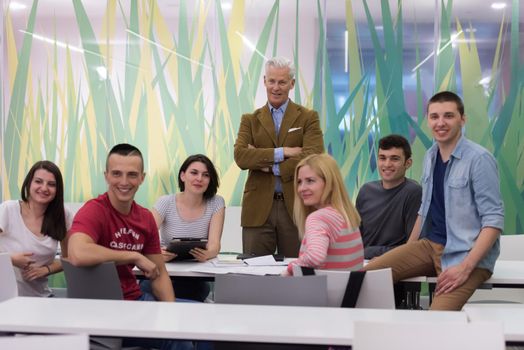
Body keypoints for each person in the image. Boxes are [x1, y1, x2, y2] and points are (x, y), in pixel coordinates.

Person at [365, 91, 504, 311]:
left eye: (448, 116)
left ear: (462, 119)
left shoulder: (479, 159)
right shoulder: (430, 156)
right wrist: (407, 252)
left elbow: (493, 220)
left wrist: (466, 267)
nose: (440, 123)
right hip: (430, 246)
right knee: (363, 279)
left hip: (466, 254)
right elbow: (424, 209)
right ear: (428, 120)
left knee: (435, 322)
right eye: (434, 117)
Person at [68, 143, 193, 350]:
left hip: (136, 301)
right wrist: (133, 256)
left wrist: (170, 315)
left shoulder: (145, 217)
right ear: (106, 176)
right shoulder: (94, 210)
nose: (124, 182)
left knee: (205, 324)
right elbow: (77, 253)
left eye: (132, 175)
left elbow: (159, 274)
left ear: (142, 178)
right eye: (117, 174)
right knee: (181, 342)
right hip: (102, 311)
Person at [234, 56, 324, 258]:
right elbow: (241, 157)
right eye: (272, 81)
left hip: (296, 206)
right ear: (264, 81)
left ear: (291, 84)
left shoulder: (308, 117)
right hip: (257, 210)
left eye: (282, 82)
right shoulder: (249, 120)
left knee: (298, 274)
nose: (276, 87)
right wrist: (284, 152)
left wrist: (270, 166)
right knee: (253, 273)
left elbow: (314, 155)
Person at [141, 154, 225, 301]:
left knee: (199, 290)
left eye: (205, 175)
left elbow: (214, 245)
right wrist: (158, 254)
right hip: (163, 272)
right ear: (182, 176)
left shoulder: (216, 203)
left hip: (194, 278)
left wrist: (208, 253)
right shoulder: (165, 202)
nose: (199, 179)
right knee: (147, 289)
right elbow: (144, 240)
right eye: (194, 173)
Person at [0, 160, 71, 297]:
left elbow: (69, 259)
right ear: (29, 183)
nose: (44, 188)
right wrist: (11, 259)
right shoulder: (8, 210)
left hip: (41, 299)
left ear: (58, 190)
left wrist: (46, 269)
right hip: (4, 300)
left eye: (51, 184)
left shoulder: (63, 215)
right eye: (38, 181)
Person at [285, 154, 364, 275]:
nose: (301, 188)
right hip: (345, 292)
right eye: (299, 182)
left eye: (310, 181)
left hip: (323, 292)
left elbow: (315, 257)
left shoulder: (319, 218)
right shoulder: (346, 214)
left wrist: (290, 269)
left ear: (330, 183)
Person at [356, 134, 422, 259]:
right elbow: (354, 238)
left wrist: (371, 252)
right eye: (382, 158)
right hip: (361, 264)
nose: (387, 164)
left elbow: (413, 246)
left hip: (396, 266)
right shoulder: (365, 191)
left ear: (408, 163)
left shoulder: (414, 192)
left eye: (394, 159)